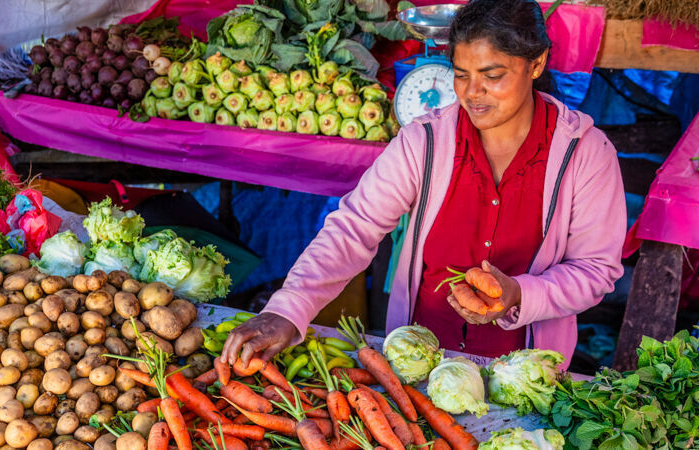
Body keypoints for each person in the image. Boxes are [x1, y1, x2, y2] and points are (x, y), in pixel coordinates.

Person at [221, 0, 626, 369]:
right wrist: (289, 308)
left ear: (535, 64)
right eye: (462, 75)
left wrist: (519, 294)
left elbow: (595, 270)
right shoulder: (425, 141)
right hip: (419, 364)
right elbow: (354, 227)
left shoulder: (585, 154)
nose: (472, 93)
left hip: (527, 373)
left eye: (493, 75)